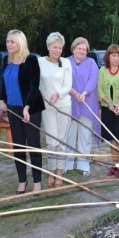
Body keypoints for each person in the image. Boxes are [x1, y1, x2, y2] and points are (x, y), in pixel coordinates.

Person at [0, 29, 45, 194]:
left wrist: (27, 107)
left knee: (33, 145)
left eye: (12, 41)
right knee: (18, 146)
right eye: (7, 41)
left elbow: (34, 86)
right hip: (12, 109)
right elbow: (4, 82)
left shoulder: (31, 60)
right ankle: (22, 181)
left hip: (30, 109)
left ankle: (37, 182)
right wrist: (2, 100)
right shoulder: (6, 60)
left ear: (21, 43)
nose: (8, 44)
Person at [38, 32, 72, 188]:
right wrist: (42, 94)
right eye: (54, 47)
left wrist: (57, 94)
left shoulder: (66, 63)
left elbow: (68, 86)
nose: (57, 50)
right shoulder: (39, 62)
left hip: (63, 104)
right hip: (46, 106)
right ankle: (51, 170)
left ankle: (60, 172)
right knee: (52, 140)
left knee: (62, 140)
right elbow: (36, 83)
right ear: (48, 47)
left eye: (60, 47)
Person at [65, 37, 100, 177]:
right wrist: (75, 93)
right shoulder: (66, 62)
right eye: (79, 48)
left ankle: (84, 164)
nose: (82, 51)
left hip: (87, 102)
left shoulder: (91, 63)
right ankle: (66, 164)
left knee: (85, 135)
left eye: (84, 49)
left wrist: (84, 93)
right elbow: (64, 80)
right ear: (73, 49)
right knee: (69, 135)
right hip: (70, 103)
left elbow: (93, 78)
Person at [98, 44, 119, 178]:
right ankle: (114, 165)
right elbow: (100, 89)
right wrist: (109, 104)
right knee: (111, 139)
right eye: (113, 55)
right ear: (108, 56)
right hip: (108, 108)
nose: (116, 58)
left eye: (118, 55)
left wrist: (118, 104)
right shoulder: (102, 70)